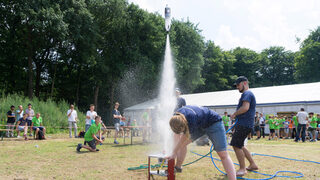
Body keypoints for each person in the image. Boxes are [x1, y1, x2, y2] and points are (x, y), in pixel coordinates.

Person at [168, 105, 236, 180]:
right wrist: (173, 151)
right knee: (182, 145)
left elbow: (184, 137)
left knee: (223, 154)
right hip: (200, 124)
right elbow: (177, 136)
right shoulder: (175, 118)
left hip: (213, 123)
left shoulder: (191, 118)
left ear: (185, 124)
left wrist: (174, 151)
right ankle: (178, 167)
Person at [230, 76, 258, 177]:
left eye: (238, 85)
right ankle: (253, 164)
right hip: (244, 123)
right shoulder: (247, 94)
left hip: (244, 124)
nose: (237, 87)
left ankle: (242, 169)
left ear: (245, 83)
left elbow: (245, 108)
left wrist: (235, 114)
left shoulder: (247, 93)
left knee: (236, 145)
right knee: (240, 145)